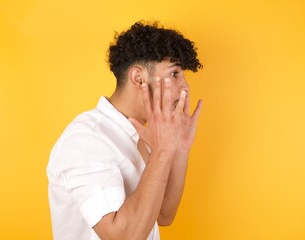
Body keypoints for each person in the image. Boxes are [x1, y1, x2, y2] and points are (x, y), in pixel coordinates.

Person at [47, 21, 203, 240]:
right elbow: (124, 236)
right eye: (175, 74)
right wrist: (164, 150)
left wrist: (180, 147)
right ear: (138, 78)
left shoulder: (143, 135)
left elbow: (164, 214)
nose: (185, 86)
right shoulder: (86, 140)